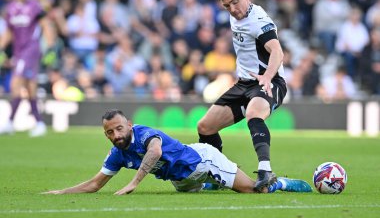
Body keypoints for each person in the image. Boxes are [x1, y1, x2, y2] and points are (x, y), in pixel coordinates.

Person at [43, 109, 312, 195]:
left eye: (119, 129)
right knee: (188, 190)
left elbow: (155, 152)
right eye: (110, 133)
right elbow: (94, 183)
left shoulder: (144, 133)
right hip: (181, 179)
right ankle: (213, 183)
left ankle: (283, 183)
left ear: (129, 125)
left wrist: (134, 182)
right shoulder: (117, 153)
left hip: (202, 159)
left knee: (255, 190)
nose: (116, 135)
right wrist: (60, 193)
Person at [197, 0, 287, 191]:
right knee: (205, 127)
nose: (233, 9)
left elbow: (277, 51)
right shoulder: (235, 15)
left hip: (269, 81)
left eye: (236, 2)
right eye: (227, 5)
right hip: (243, 84)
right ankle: (218, 173)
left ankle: (265, 170)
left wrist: (267, 77)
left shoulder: (259, 21)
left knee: (254, 114)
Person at [0, 0, 54, 137]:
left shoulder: (34, 6)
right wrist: (2, 47)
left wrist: (50, 46)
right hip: (18, 51)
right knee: (30, 87)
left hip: (31, 49)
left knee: (16, 82)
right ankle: (39, 123)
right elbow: (9, 33)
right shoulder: (10, 9)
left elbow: (46, 25)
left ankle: (10, 122)